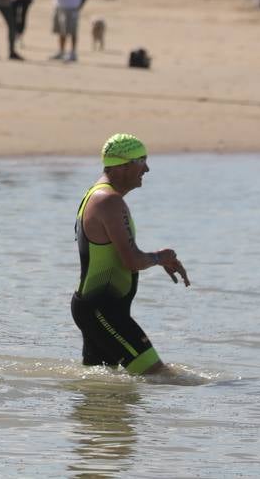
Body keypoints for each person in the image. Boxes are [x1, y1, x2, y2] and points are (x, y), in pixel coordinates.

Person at [70, 133, 190, 376]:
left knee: (101, 392)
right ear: (122, 165)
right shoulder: (108, 201)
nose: (147, 168)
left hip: (98, 307)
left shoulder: (100, 196)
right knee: (162, 378)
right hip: (103, 310)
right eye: (141, 160)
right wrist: (160, 257)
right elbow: (131, 261)